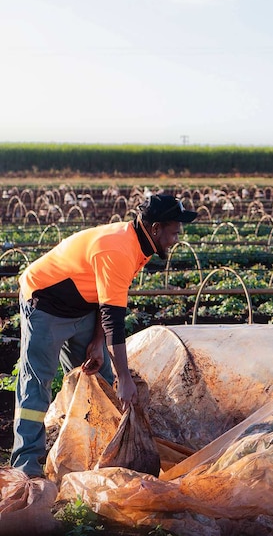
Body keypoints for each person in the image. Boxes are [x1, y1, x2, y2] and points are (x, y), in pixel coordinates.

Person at [11, 194, 197, 478]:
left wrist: (97, 342)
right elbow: (114, 320)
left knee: (99, 378)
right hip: (46, 303)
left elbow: (108, 297)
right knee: (37, 383)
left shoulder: (140, 245)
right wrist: (124, 378)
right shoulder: (119, 248)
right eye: (174, 232)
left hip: (83, 306)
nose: (176, 238)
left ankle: (91, 452)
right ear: (156, 227)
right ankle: (27, 467)